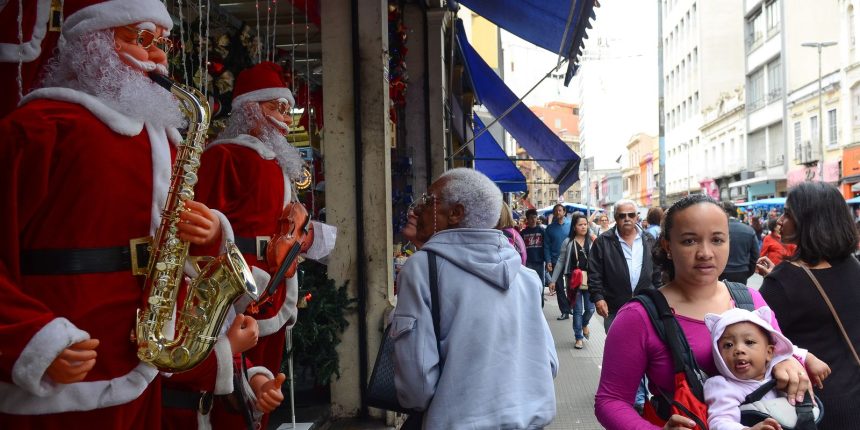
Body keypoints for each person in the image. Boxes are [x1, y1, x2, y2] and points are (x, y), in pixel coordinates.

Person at [0, 0, 235, 427]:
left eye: (163, 43)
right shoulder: (38, 127)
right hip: (60, 375)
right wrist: (29, 337)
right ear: (92, 42)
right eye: (141, 38)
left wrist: (211, 232)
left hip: (141, 365)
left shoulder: (164, 140)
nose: (160, 56)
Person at [176, 61, 317, 429]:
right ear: (251, 108)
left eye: (288, 108)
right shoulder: (224, 155)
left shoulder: (278, 164)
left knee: (265, 379)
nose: (285, 117)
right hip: (243, 283)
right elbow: (202, 221)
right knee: (231, 376)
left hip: (276, 280)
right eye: (276, 106)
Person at [594, 194, 814, 430]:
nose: (706, 253)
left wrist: (788, 363)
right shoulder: (638, 317)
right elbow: (611, 400)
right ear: (667, 245)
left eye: (717, 240)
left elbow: (781, 354)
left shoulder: (751, 301)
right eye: (690, 241)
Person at [392, 168, 558, 428]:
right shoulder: (525, 277)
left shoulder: (421, 269)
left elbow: (417, 385)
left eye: (427, 202)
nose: (416, 210)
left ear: (456, 213)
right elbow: (548, 365)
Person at [758, 182, 860, 429]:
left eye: (788, 213)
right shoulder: (853, 266)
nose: (780, 220)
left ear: (809, 221)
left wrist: (778, 281)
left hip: (816, 406)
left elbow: (757, 347)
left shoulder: (783, 282)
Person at [703, 307, 830, 430]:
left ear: (769, 352)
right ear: (718, 354)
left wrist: (810, 359)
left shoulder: (778, 371)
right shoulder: (724, 387)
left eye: (749, 342)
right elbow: (720, 421)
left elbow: (788, 352)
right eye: (728, 345)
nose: (738, 350)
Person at [548, 212, 596, 349]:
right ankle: (578, 337)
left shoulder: (592, 241)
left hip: (590, 280)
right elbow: (560, 261)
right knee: (577, 310)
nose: (583, 227)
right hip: (573, 281)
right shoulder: (568, 242)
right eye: (580, 224)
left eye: (585, 224)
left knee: (591, 309)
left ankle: (584, 324)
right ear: (574, 227)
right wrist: (553, 280)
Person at [720, 202, 760, 285]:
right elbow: (755, 256)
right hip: (742, 272)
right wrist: (748, 272)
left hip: (721, 272)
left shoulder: (717, 230)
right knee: (739, 297)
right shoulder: (749, 230)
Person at [544, 204, 572, 319]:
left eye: (560, 210)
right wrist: (548, 260)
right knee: (559, 287)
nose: (558, 213)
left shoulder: (571, 225)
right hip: (555, 261)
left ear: (564, 212)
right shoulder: (550, 228)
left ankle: (571, 306)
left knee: (572, 286)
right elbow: (546, 246)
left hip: (570, 260)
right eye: (556, 211)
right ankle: (565, 311)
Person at [520, 208, 551, 307]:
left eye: (534, 217)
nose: (533, 219)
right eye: (531, 218)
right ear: (527, 219)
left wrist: (547, 261)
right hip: (527, 263)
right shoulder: (523, 233)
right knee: (528, 284)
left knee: (540, 285)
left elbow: (546, 247)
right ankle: (530, 305)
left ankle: (540, 305)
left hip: (539, 262)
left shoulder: (542, 231)